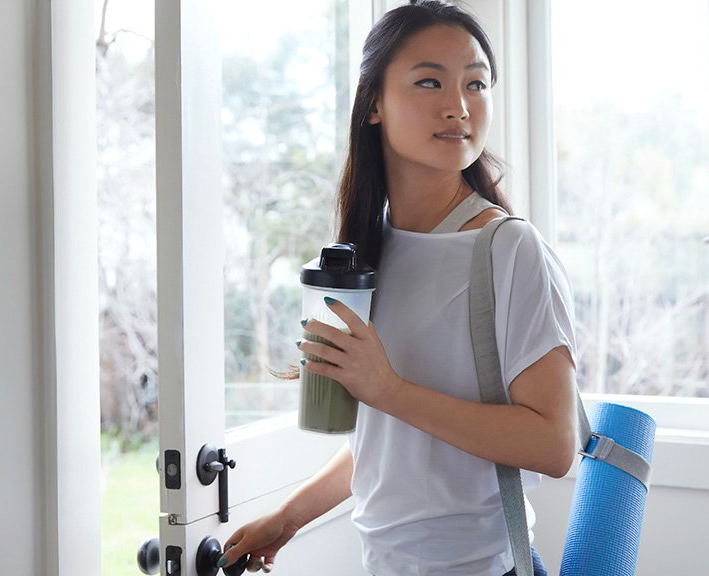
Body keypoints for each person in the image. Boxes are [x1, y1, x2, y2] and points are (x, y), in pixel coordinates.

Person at [218, 2, 578, 574]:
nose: (459, 106)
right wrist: (286, 519)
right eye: (429, 81)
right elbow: (391, 441)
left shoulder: (509, 249)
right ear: (373, 105)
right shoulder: (373, 249)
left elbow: (554, 446)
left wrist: (387, 389)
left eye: (476, 83)